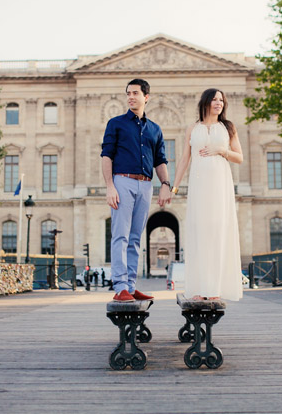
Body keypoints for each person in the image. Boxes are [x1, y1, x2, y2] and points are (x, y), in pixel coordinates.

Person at [101, 78, 172, 302]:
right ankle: (120, 286)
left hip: (146, 184)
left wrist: (165, 186)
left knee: (135, 238)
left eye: (135, 93)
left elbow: (160, 160)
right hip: (122, 181)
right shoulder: (116, 123)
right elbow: (106, 156)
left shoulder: (154, 129)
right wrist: (110, 186)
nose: (131, 97)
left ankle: (131, 287)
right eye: (128, 93)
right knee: (120, 235)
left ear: (146, 97)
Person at [170, 88, 243, 301]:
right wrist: (173, 188)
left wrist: (222, 151)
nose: (219, 103)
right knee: (200, 232)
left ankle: (216, 289)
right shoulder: (192, 129)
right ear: (206, 103)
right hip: (199, 186)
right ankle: (201, 289)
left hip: (220, 185)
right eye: (215, 100)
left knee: (218, 231)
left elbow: (239, 157)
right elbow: (184, 159)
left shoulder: (228, 127)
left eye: (221, 100)